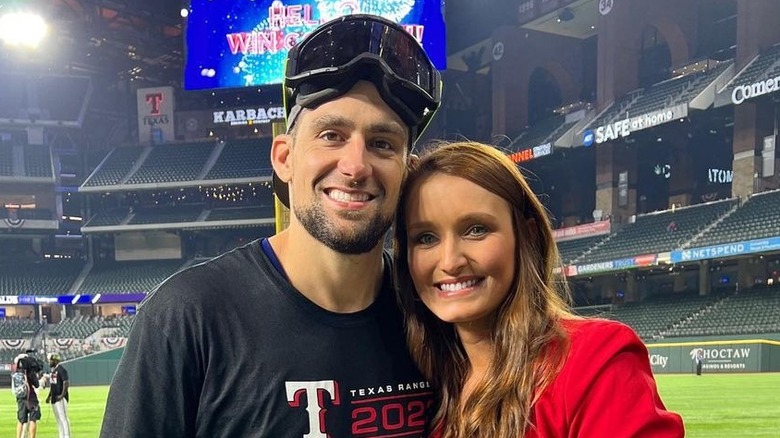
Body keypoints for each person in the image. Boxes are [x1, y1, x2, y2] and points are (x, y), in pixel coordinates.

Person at [100, 14, 442, 437]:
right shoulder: (187, 318)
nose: (355, 166)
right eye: (331, 135)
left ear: (406, 171)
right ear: (284, 158)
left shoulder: (433, 314)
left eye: (382, 143)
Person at [394, 141, 685, 437]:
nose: (450, 261)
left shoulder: (596, 361)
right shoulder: (425, 387)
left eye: (476, 229)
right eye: (426, 238)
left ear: (527, 237)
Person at [12, 353, 41, 438]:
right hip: (30, 397)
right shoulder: (29, 372)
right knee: (33, 418)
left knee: (21, 420)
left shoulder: (16, 373)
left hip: (20, 398)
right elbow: (37, 384)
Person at [46, 354, 71, 438]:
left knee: (63, 418)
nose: (49, 362)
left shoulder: (61, 370)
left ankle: (67, 436)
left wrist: (62, 395)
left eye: (51, 360)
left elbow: (66, 383)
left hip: (60, 398)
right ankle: (61, 435)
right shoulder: (53, 371)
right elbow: (53, 385)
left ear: (55, 360)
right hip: (54, 398)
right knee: (58, 419)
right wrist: (49, 396)